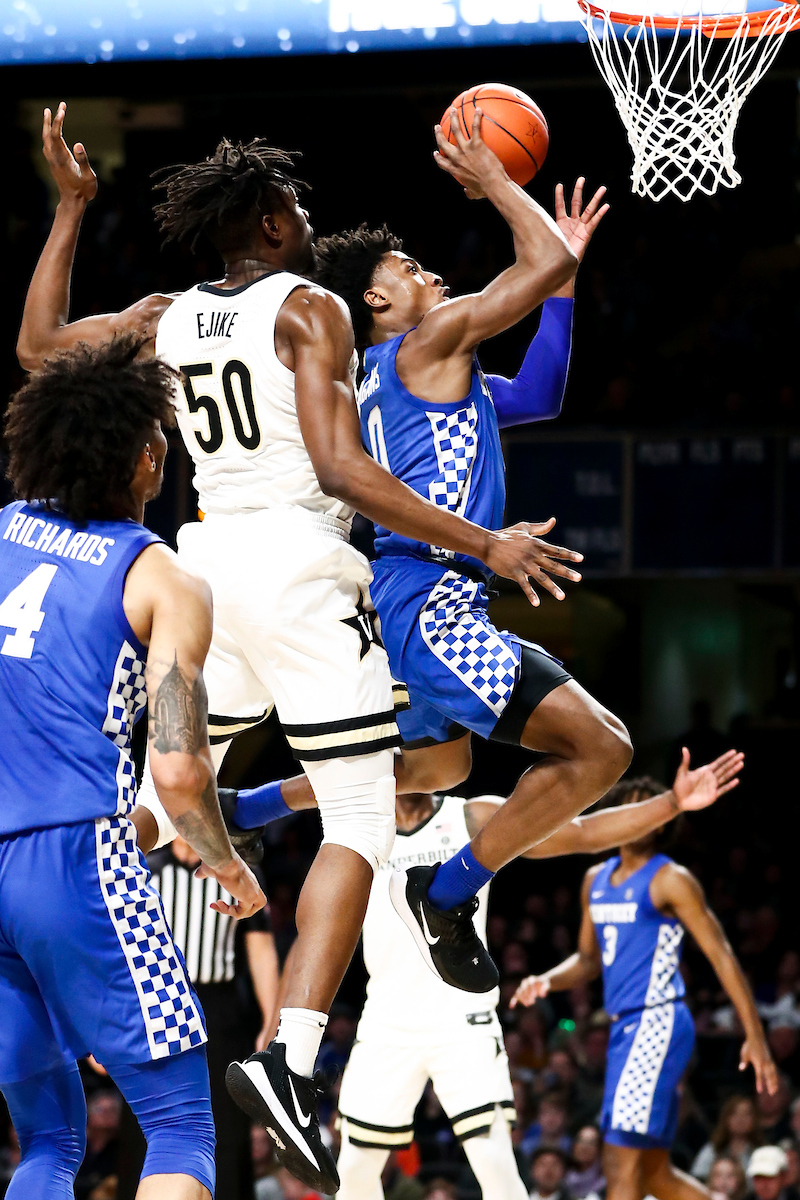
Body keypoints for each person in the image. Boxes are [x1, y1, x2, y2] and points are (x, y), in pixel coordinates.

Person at [18, 105, 581, 1193]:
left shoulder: (169, 311)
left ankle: (63, 962)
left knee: (161, 794)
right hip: (298, 566)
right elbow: (337, 469)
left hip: (204, 563)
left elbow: (39, 348)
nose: (309, 222)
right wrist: (481, 542)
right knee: (362, 813)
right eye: (300, 209)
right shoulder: (311, 306)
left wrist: (72, 208)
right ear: (271, 220)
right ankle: (291, 1056)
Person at [313, 107, 632, 995]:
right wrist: (498, 182)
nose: (434, 273)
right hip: (431, 597)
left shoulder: (408, 374)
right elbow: (542, 264)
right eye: (410, 268)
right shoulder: (426, 342)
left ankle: (259, 811)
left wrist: (559, 284)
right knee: (600, 751)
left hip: (430, 601)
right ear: (378, 303)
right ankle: (447, 893)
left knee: (427, 766)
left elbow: (540, 392)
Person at [0, 339, 265, 1200]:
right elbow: (181, 774)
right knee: (183, 1121)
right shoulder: (160, 576)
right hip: (75, 855)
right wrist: (227, 864)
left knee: (47, 1139)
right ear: (146, 454)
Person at [250, 749, 741, 1200]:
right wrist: (278, 1025)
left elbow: (582, 832)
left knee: (496, 1168)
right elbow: (314, 933)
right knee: (353, 1171)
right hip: (386, 1023)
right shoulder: (358, 830)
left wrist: (672, 803)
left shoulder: (468, 815)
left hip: (462, 1020)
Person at [512, 775, 778, 1200]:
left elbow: (721, 954)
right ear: (615, 818)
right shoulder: (594, 879)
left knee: (619, 1165)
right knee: (655, 1174)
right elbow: (587, 960)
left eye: (648, 812)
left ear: (662, 822)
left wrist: (755, 1033)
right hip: (627, 1029)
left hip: (657, 1020)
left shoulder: (671, 879)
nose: (639, 821)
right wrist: (547, 979)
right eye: (630, 810)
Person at [145, 836, 279, 1200]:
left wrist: (271, 1021)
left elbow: (261, 947)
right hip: (153, 1005)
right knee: (147, 1124)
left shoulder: (237, 872)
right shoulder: (145, 868)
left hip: (218, 1010)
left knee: (227, 1128)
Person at [693, 1098, 763, 1181]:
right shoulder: (712, 1150)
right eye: (734, 1114)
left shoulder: (761, 1153)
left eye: (746, 1114)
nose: (740, 1119)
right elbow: (697, 1179)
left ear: (754, 1119)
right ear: (726, 1119)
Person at [565, 1126, 606, 1200]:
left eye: (591, 1143)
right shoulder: (562, 1175)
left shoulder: (606, 1181)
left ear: (599, 1148)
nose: (584, 1147)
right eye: (580, 1141)